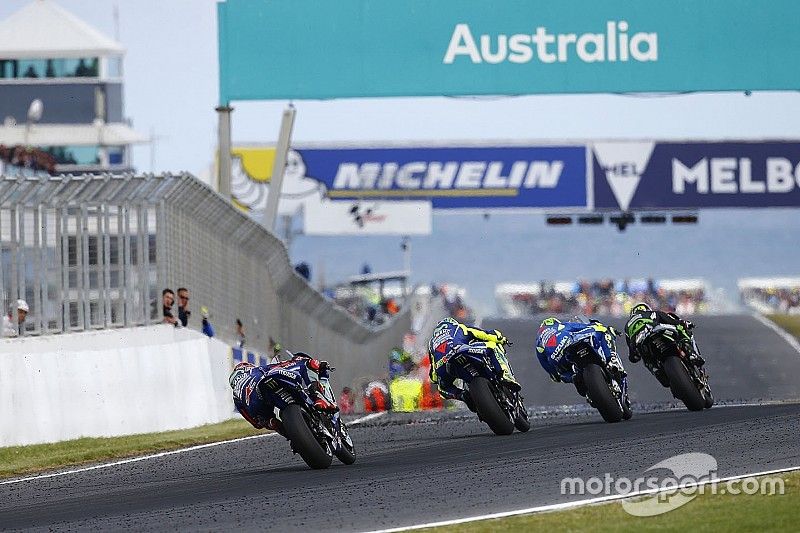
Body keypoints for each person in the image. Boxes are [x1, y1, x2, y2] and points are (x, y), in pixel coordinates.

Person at [229, 353, 339, 434]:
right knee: (306, 363)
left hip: (256, 406)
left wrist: (267, 422)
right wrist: (298, 361)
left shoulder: (236, 395)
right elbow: (275, 367)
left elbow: (254, 423)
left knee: (269, 421)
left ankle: (289, 435)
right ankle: (318, 397)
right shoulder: (254, 370)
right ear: (247, 367)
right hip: (266, 381)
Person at [427, 317, 518, 407]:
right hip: (461, 350)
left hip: (444, 365)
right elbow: (485, 334)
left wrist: (440, 377)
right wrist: (501, 339)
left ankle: (462, 396)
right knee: (493, 346)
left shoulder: (432, 343)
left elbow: (433, 377)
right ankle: (506, 375)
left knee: (443, 388)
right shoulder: (459, 327)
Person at [535, 316, 625, 396]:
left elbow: (544, 363)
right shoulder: (561, 326)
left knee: (563, 374)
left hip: (555, 357)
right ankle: (611, 358)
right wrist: (599, 327)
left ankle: (577, 380)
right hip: (569, 341)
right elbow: (583, 327)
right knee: (603, 331)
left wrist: (555, 375)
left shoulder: (539, 342)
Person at [624, 302, 705, 381]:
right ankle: (691, 353)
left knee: (646, 359)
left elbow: (632, 355)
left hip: (643, 343)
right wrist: (684, 323)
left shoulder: (627, 325)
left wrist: (634, 356)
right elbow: (672, 321)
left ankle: (656, 370)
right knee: (681, 327)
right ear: (646, 309)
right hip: (657, 330)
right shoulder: (653, 313)